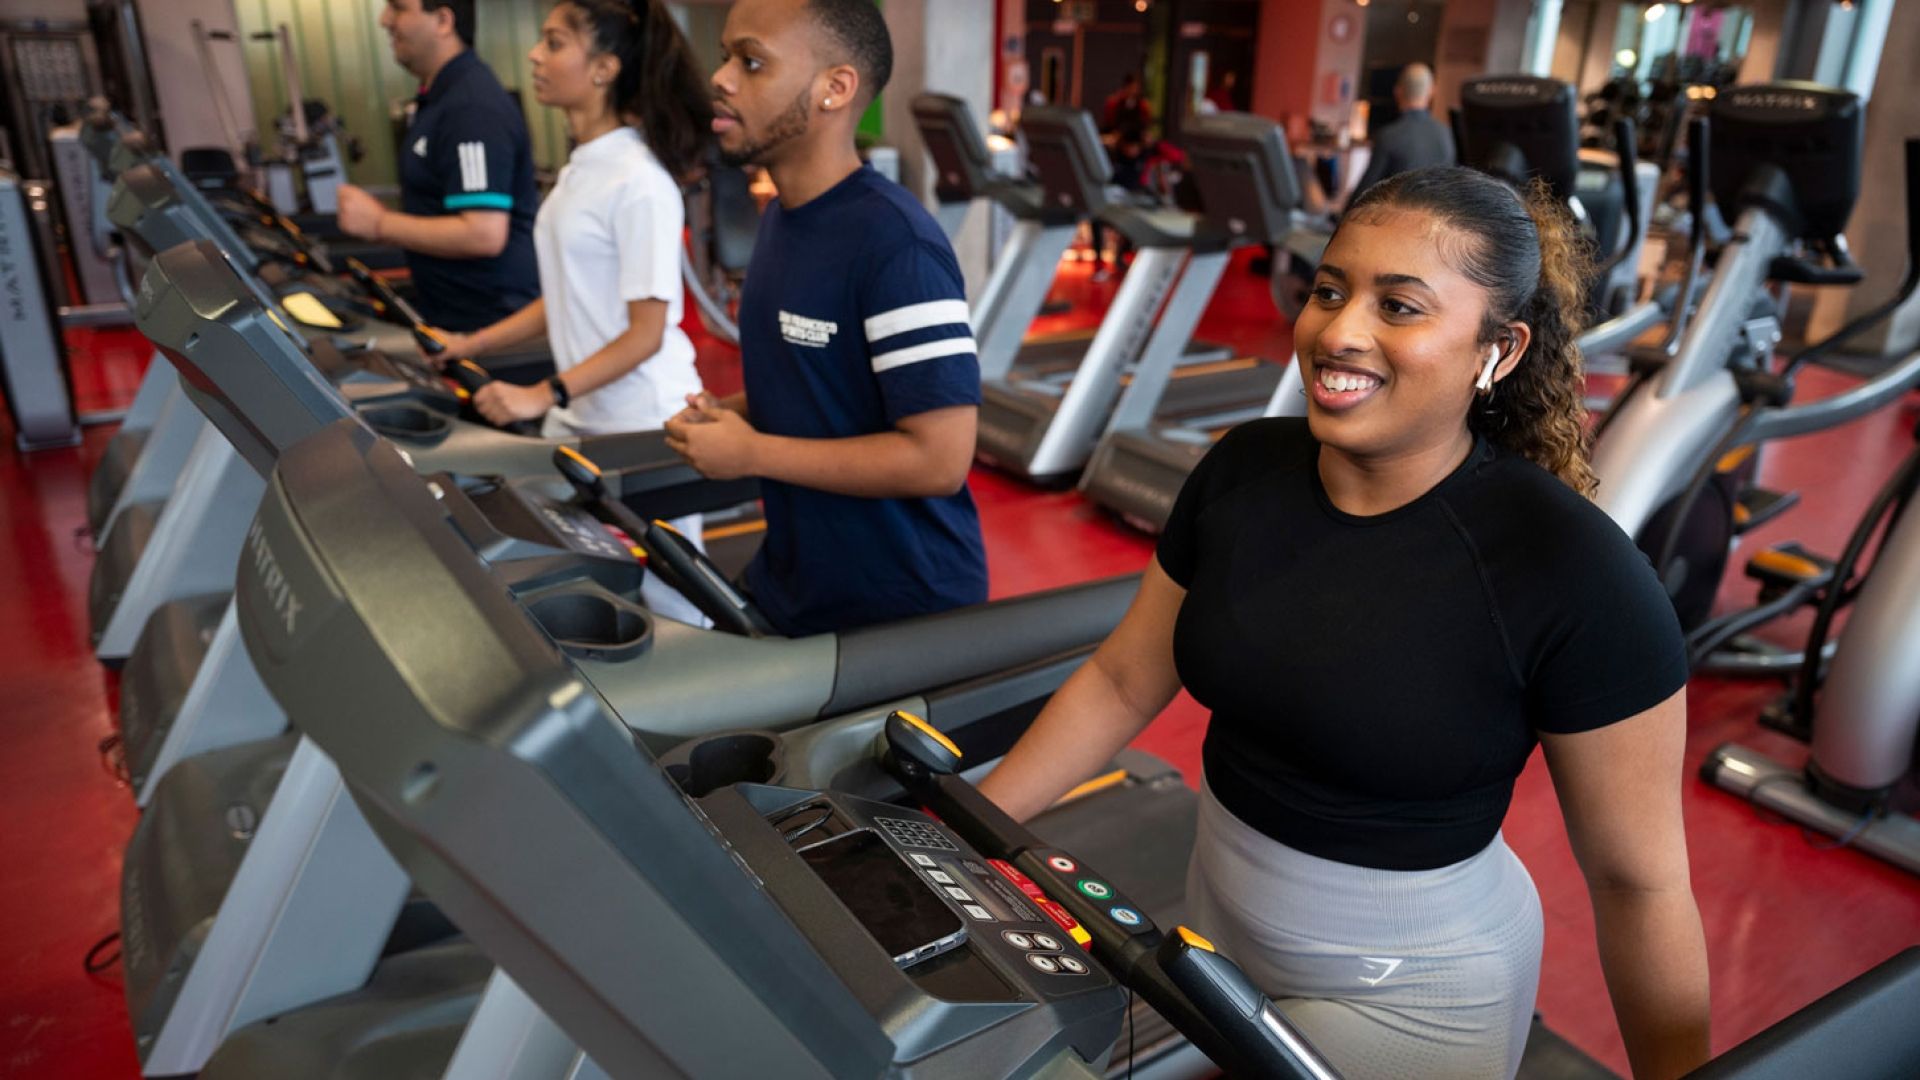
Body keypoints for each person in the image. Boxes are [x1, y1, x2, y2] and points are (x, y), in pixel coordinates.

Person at [977, 166, 1711, 1080]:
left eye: (1399, 306)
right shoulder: (1244, 469)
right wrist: (960, 827)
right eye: (1330, 290)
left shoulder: (1577, 574)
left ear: (1501, 350)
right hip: (1217, 930)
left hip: (1418, 995)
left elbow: (1637, 884)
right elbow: (1125, 678)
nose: (1339, 331)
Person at [663, 0, 987, 637]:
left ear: (835, 89)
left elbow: (940, 458)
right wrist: (732, 412)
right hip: (796, 581)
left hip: (897, 609)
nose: (722, 78)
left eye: (751, 62)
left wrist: (752, 452)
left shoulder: (898, 246)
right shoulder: (785, 218)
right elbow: (824, 380)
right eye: (727, 56)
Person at [431, 0, 713, 626]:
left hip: (644, 422)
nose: (535, 55)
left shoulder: (639, 182)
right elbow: (562, 298)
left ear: (604, 68)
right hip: (585, 417)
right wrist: (472, 343)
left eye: (555, 43)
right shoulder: (583, 167)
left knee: (674, 607)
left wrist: (541, 393)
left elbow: (645, 334)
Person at [335, 0, 540, 332]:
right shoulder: (439, 97)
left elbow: (483, 233)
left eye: (399, 8)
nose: (385, 20)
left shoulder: (471, 106)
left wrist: (379, 224)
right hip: (451, 314)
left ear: (444, 20)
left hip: (487, 321)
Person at [1347, 62, 1455, 206]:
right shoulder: (1447, 134)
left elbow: (1365, 192)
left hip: (1395, 220)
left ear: (1398, 91)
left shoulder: (1388, 136)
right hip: (1435, 220)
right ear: (1432, 91)